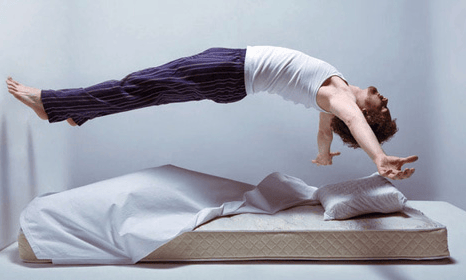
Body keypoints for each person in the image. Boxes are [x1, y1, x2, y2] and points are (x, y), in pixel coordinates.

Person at [6, 46, 418, 180]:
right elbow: (327, 133)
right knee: (148, 89)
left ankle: (52, 103)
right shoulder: (337, 93)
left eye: (382, 109)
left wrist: (378, 158)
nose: (384, 100)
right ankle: (82, 112)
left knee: (143, 84)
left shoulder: (341, 102)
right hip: (231, 74)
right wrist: (324, 154)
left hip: (229, 70)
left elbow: (351, 123)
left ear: (369, 116)